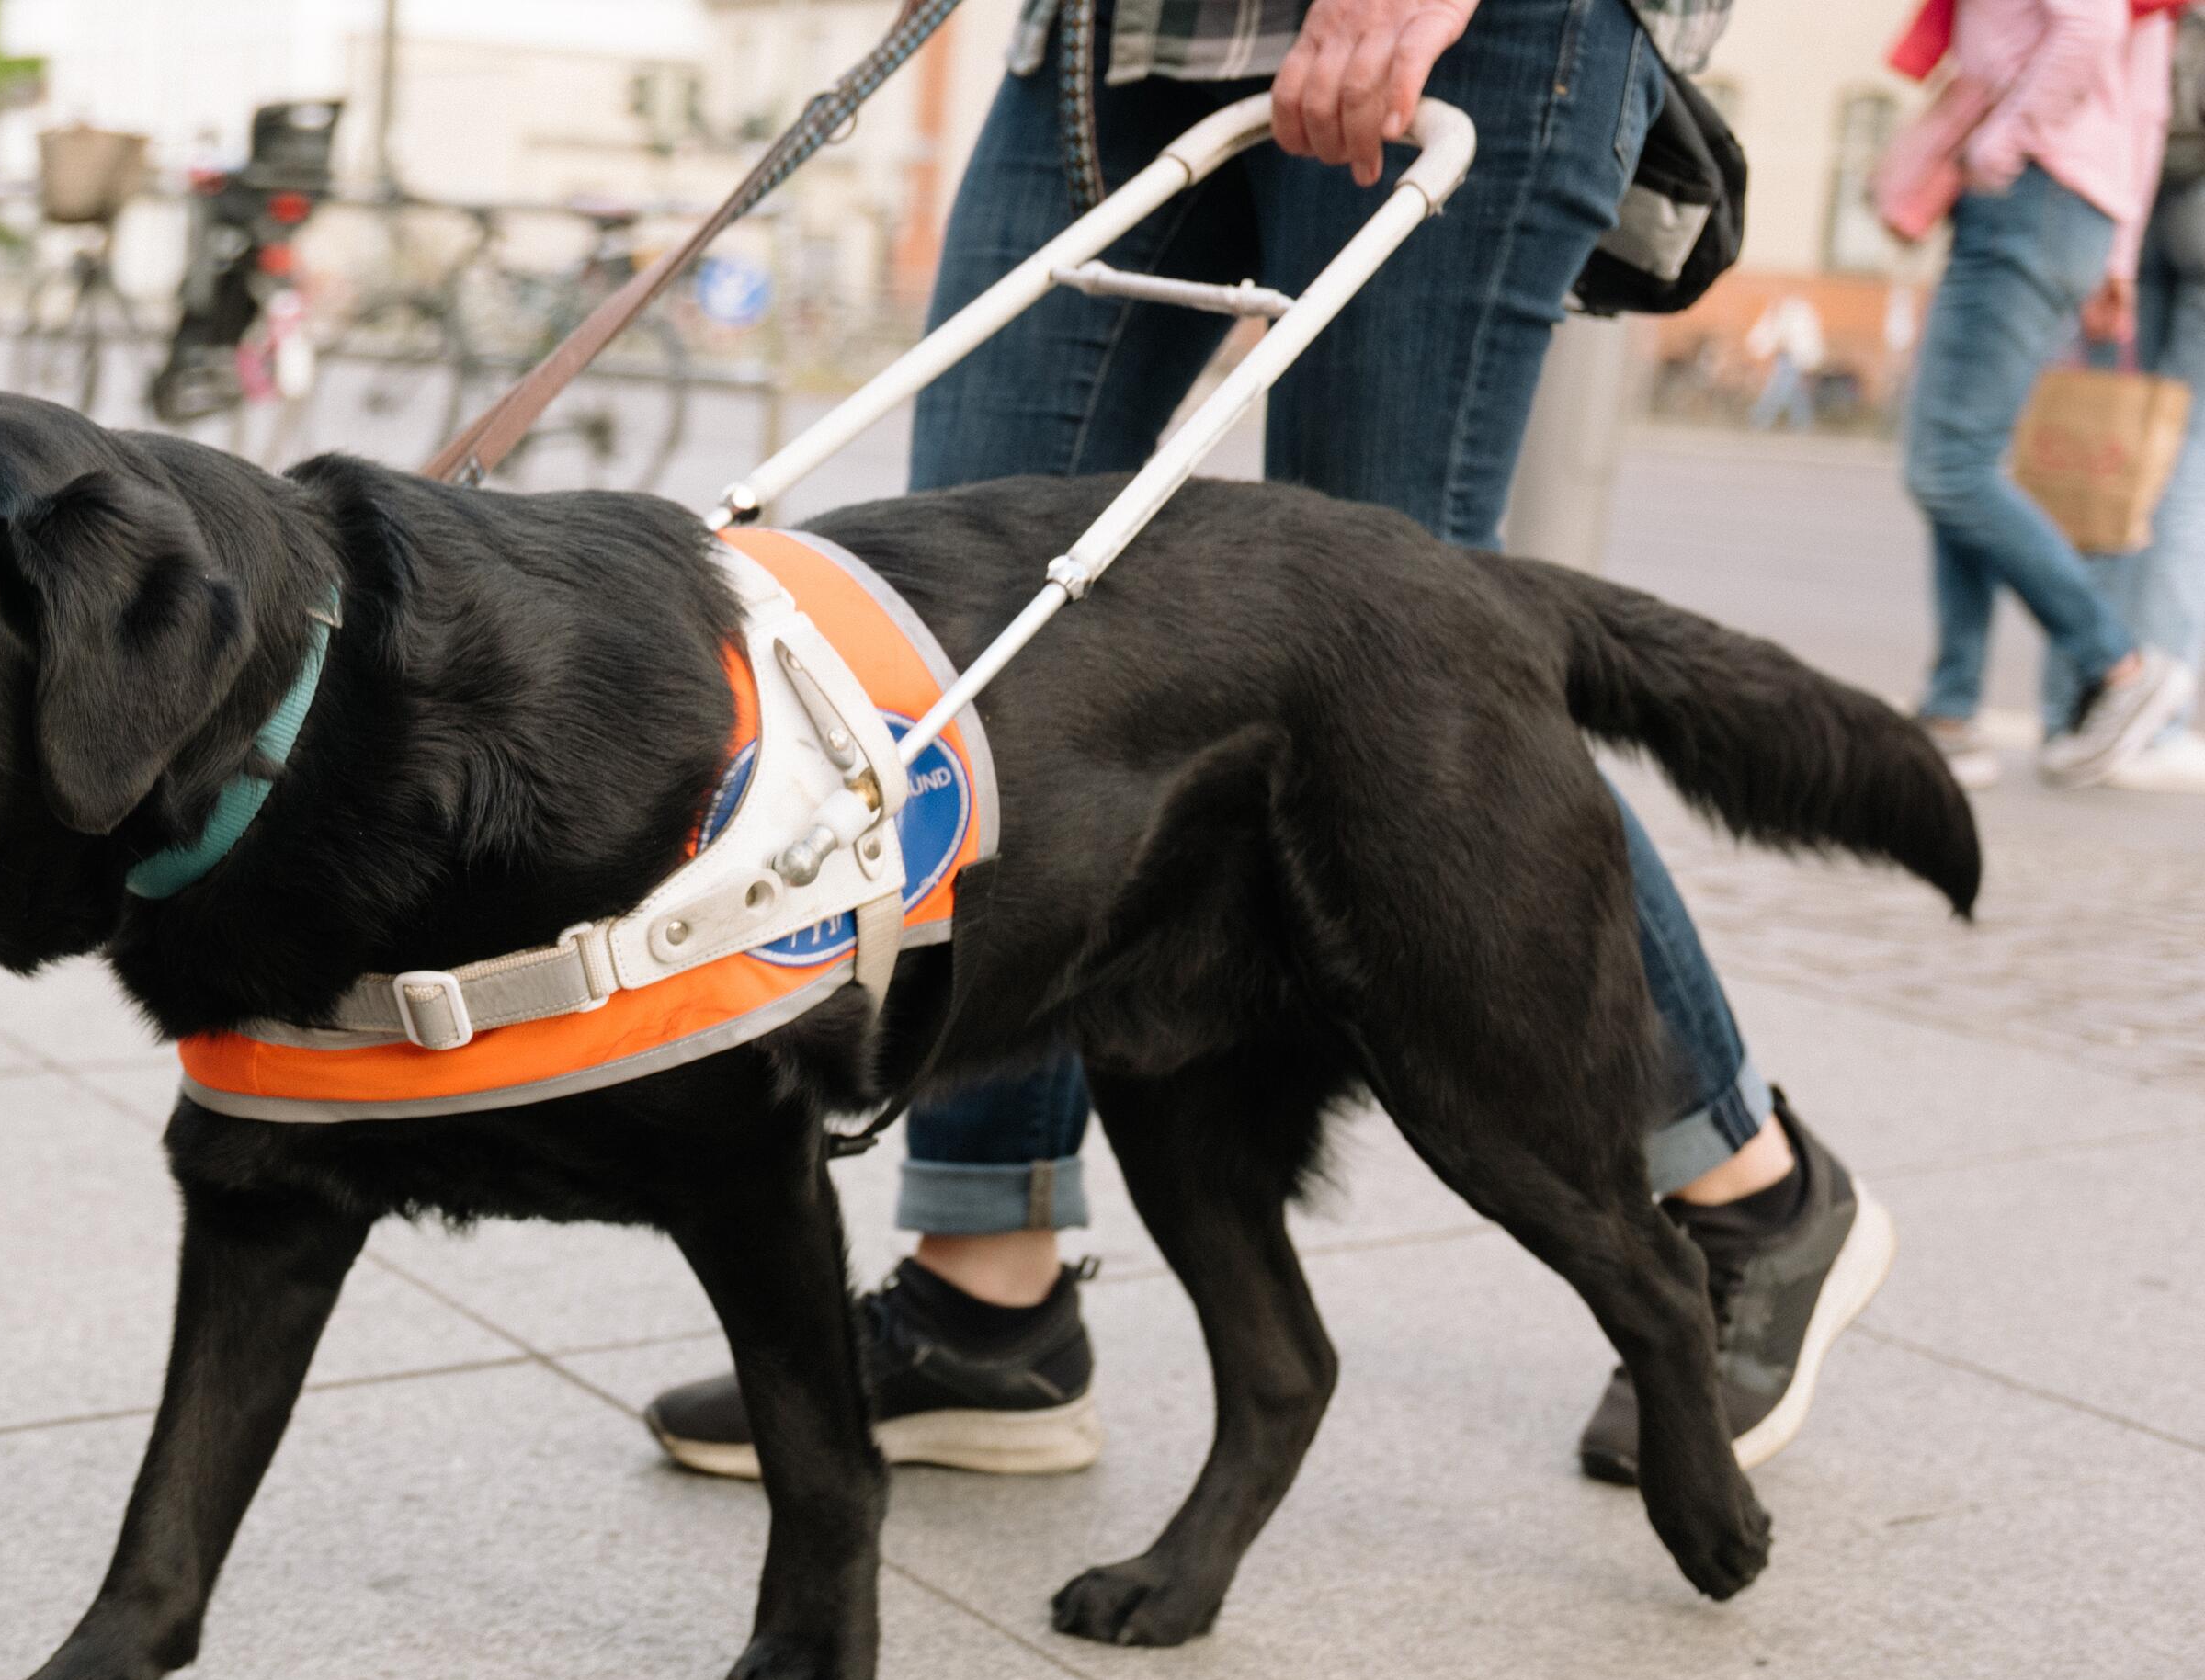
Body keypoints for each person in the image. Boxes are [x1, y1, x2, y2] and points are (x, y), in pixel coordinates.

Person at [647, 0, 1895, 1499]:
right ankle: (985, 1291)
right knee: (955, 655)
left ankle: (1743, 1187)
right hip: (1111, 46)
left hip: (1453, 34)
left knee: (1414, 665)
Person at [1903, 0, 2183, 791]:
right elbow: (2143, 108)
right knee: (1962, 461)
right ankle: (1950, 714)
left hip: (2032, 192)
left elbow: (2088, 30)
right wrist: (2118, 253)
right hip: (2070, 205)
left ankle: (2119, 664)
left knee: (1948, 465)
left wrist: (2002, 138)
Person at [2040, 2, 2205, 791]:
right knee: (2185, 468)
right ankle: (2155, 718)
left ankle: (2077, 704)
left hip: (2135, 186)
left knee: (2111, 454)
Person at [1747, 294, 1827, 431]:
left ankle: (1760, 418)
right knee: (1795, 391)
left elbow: (1788, 338)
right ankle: (1802, 423)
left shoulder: (1794, 314)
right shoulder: (1790, 313)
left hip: (1792, 357)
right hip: (1789, 356)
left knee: (1780, 389)